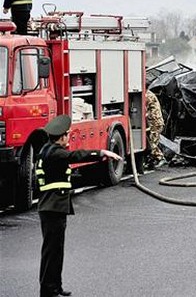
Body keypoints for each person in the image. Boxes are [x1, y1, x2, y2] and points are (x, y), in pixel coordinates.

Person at [36, 115, 121, 297]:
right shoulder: (55, 153)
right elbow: (76, 155)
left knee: (56, 250)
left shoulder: (46, 150)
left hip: (53, 207)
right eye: (67, 135)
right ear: (62, 137)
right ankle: (48, 290)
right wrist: (102, 153)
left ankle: (55, 287)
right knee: (52, 251)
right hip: (53, 208)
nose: (68, 138)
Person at [145, 89, 166, 168]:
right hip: (155, 122)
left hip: (155, 123)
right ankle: (153, 159)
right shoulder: (149, 94)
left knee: (152, 143)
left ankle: (159, 158)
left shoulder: (148, 95)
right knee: (152, 141)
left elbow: (144, 108)